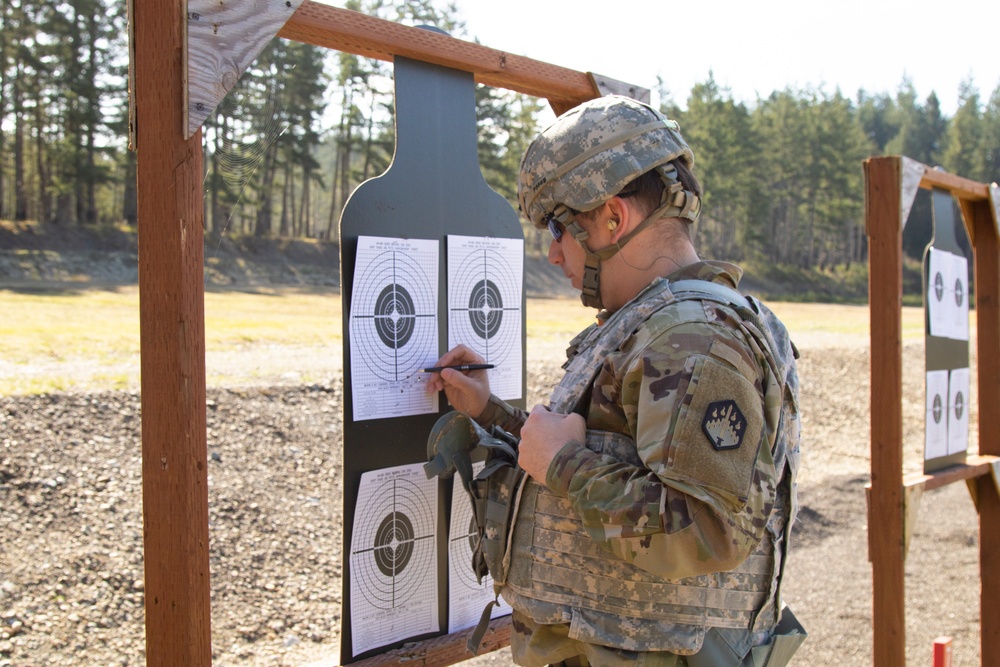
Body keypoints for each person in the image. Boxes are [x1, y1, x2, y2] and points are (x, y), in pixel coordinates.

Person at [425, 95, 804, 667]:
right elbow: (608, 447)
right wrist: (494, 415)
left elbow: (709, 529)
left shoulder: (692, 338)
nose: (552, 254)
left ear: (612, 217)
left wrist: (564, 465)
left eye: (558, 228)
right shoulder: (656, 326)